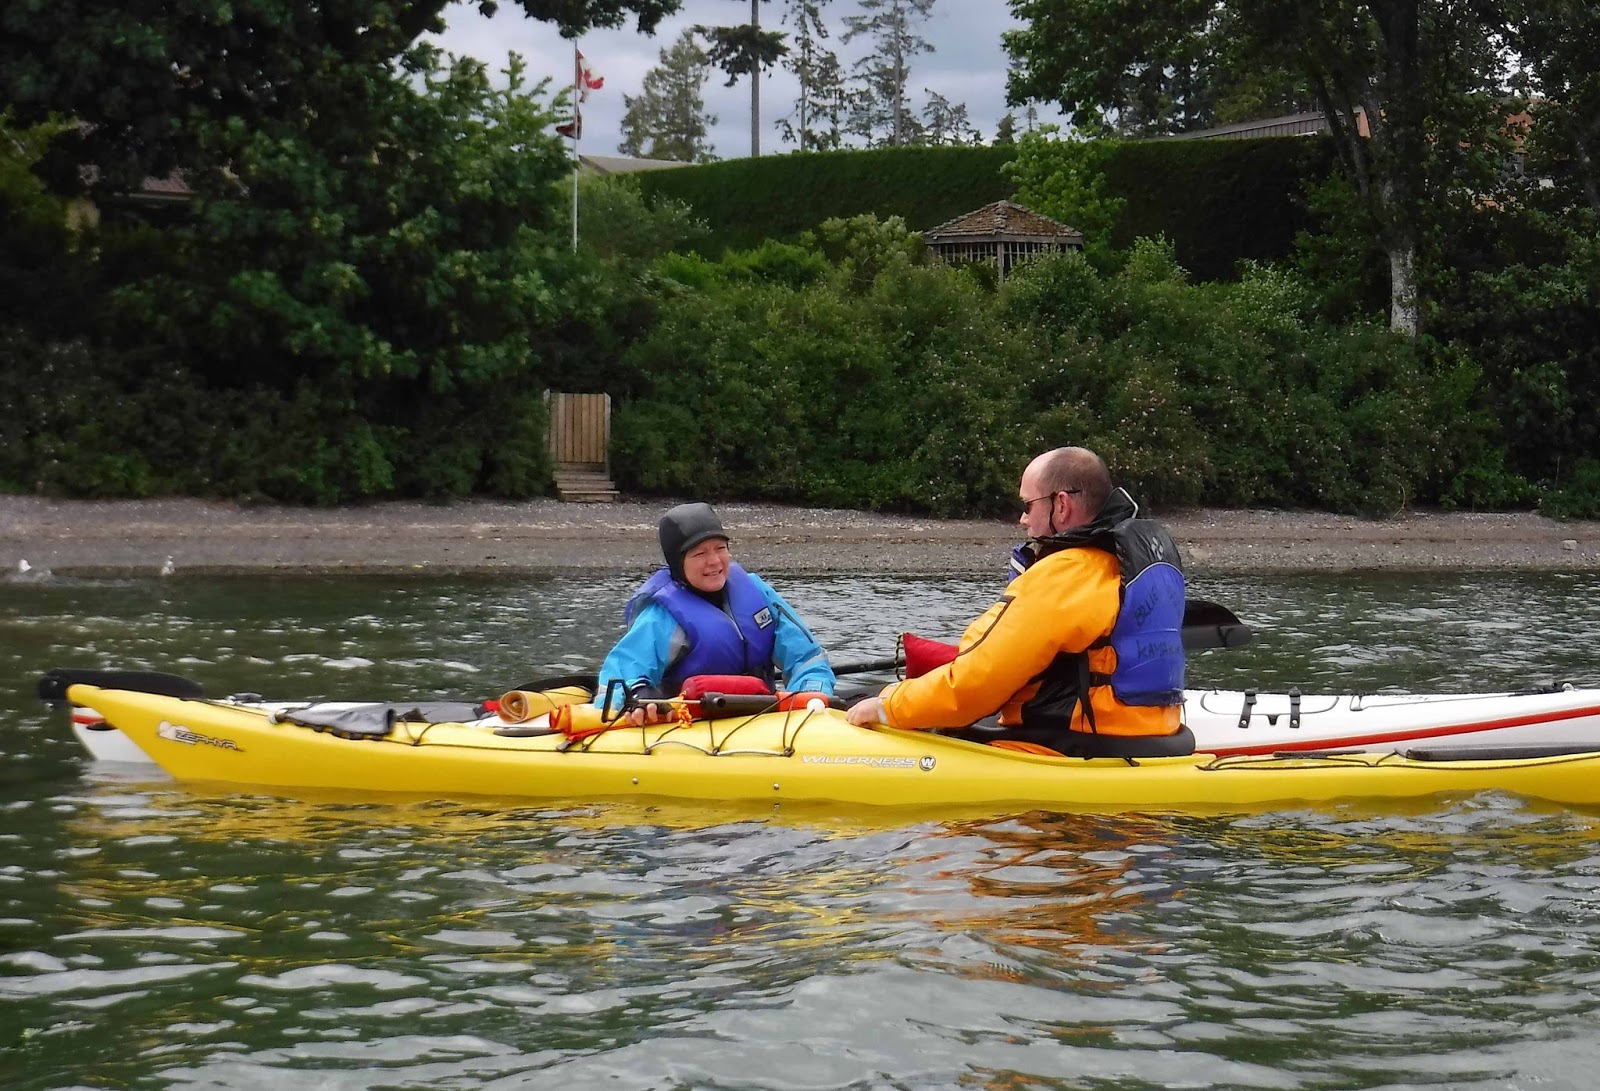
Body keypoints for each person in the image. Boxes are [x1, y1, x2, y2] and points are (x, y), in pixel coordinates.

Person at [846, 447, 1192, 757]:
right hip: (1154, 733)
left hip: (1075, 743)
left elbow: (973, 688)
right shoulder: (1133, 561)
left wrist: (887, 707)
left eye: (1028, 506)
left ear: (1061, 505)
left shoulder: (1065, 574)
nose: (1022, 519)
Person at [597, 502, 836, 725]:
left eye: (720, 548)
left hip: (762, 718)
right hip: (691, 725)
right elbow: (622, 673)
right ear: (678, 563)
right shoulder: (662, 616)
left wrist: (810, 698)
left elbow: (808, 659)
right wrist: (637, 694)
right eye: (699, 554)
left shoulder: (756, 592)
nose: (714, 561)